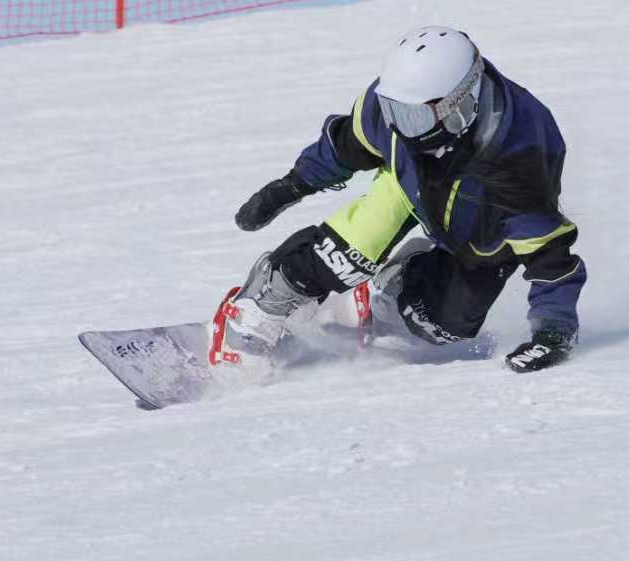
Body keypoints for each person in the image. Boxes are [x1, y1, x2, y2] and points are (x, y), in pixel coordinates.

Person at [222, 26, 584, 373]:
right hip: (408, 185)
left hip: (481, 227)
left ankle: (390, 297)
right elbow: (348, 146)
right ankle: (269, 296)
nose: (397, 126)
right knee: (352, 251)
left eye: (411, 118)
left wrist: (553, 331)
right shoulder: (394, 109)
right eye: (393, 110)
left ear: (459, 106)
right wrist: (292, 185)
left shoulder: (519, 160)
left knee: (445, 325)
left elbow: (550, 258)